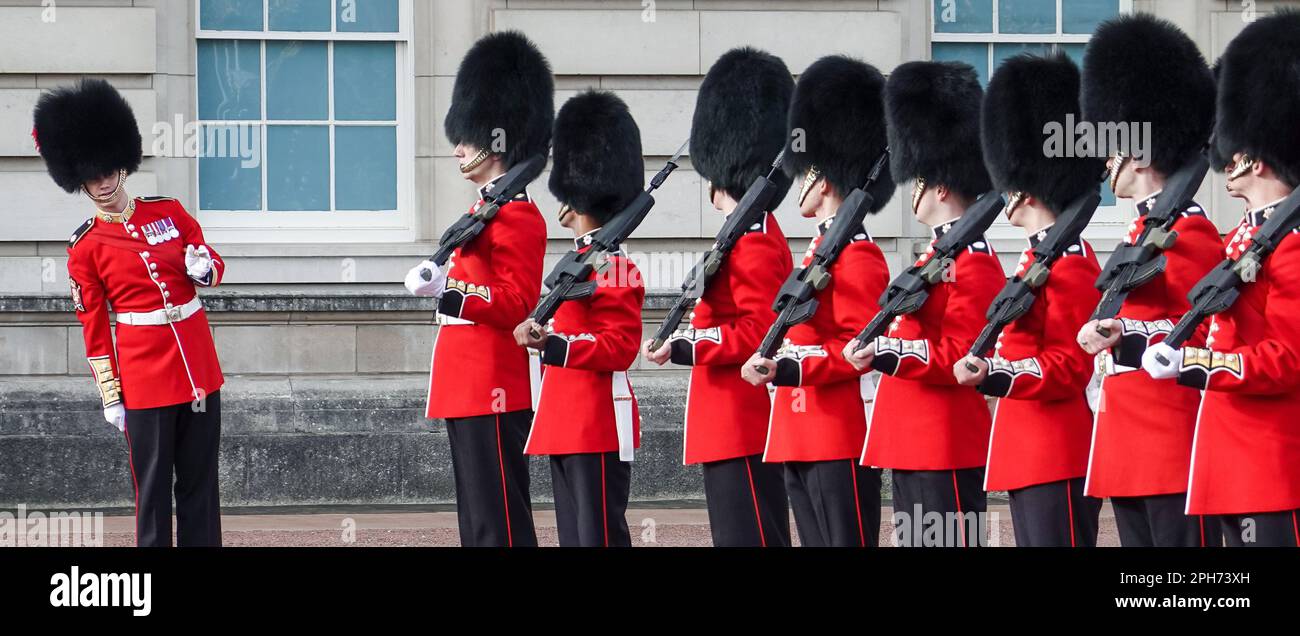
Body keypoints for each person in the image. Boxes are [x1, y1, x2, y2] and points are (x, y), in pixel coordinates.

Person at [35, 79, 226, 547]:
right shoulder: (85, 247)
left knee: (201, 483)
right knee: (154, 489)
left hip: (198, 367)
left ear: (123, 165)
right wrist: (111, 394)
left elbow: (208, 261)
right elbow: (94, 326)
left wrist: (204, 267)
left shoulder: (170, 212)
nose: (100, 182)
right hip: (144, 378)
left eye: (105, 170)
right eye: (89, 175)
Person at [1143, 10, 1300, 547]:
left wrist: (1195, 362)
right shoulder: (1241, 240)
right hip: (1229, 457)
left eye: (1234, 153)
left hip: (1272, 463)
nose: (1224, 161)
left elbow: (1288, 359)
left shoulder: (1293, 247)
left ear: (1255, 159)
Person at [1074, 14, 1224, 547]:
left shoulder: (1193, 231)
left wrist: (1130, 337)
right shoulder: (1142, 229)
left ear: (1136, 154)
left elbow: (1205, 333)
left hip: (1170, 440)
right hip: (1127, 439)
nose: (1106, 161)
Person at [844, 60, 1004, 547]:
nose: (910, 192)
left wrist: (891, 354)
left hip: (945, 440)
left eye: (917, 182)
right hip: (913, 438)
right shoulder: (935, 254)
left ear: (937, 185)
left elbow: (962, 352)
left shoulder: (974, 260)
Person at [403, 31, 553, 547]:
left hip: (493, 380)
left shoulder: (519, 216)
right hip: (464, 379)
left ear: (496, 141)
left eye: (468, 137)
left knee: (500, 517)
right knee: (476, 514)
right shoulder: (485, 210)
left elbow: (516, 303)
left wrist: (451, 290)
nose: (458, 147)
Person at [641, 47, 795, 547]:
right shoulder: (739, 235)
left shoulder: (754, 240)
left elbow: (757, 332)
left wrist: (688, 345)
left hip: (742, 420)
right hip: (724, 420)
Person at [952, 53, 1106, 547]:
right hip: (1026, 451)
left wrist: (999, 374)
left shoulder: (1072, 260)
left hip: (1055, 453)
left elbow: (1069, 365)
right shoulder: (1035, 258)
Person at [740, 55, 894, 547]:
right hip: (797, 431)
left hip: (835, 433)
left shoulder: (860, 255)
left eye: (804, 171)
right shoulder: (817, 251)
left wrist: (792, 366)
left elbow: (858, 349)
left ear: (821, 178)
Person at [513, 91, 647, 547]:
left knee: (599, 536)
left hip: (595, 421)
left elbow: (620, 346)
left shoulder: (614, 265)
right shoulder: (579, 260)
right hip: (564, 417)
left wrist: (553, 344)